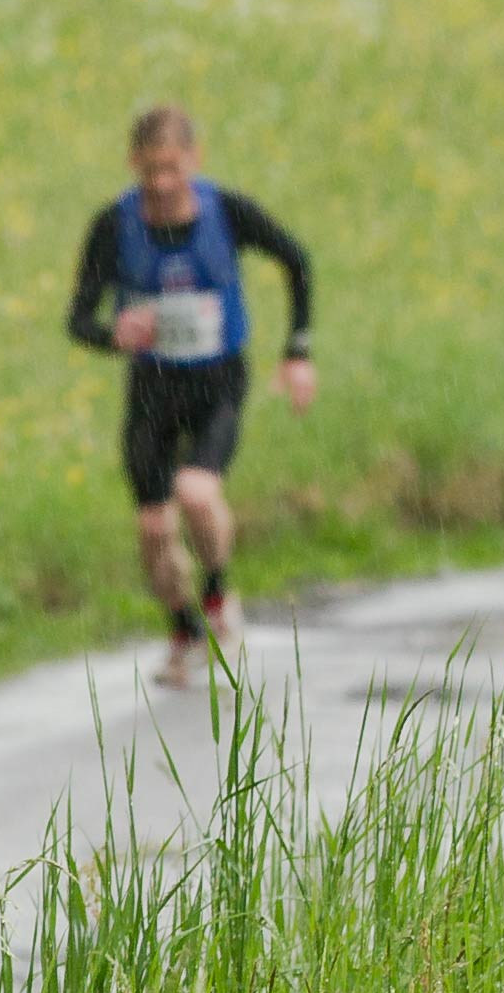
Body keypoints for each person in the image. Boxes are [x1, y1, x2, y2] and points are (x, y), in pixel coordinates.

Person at [63, 106, 316, 684]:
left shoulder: (226, 211)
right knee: (154, 529)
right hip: (152, 387)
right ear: (133, 162)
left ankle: (218, 593)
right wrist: (112, 334)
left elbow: (296, 260)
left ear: (194, 160)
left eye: (172, 168)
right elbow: (78, 318)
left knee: (197, 493)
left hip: (218, 380)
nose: (160, 183)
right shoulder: (114, 225)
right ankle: (183, 631)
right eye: (149, 170)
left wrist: (298, 351)